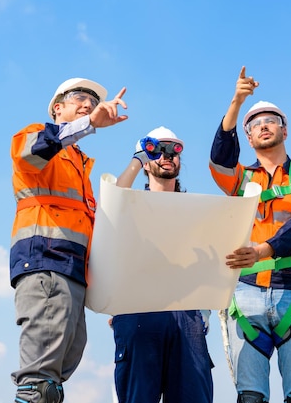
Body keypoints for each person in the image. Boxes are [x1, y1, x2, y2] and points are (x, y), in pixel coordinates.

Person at [209, 67, 291, 403]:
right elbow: (219, 161)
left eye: (270, 119)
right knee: (250, 397)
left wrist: (263, 250)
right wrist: (236, 102)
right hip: (247, 293)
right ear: (247, 137)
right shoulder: (241, 179)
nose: (263, 125)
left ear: (285, 130)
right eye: (255, 123)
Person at [10, 77, 128, 403]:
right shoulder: (36, 138)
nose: (87, 103)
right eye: (79, 97)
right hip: (46, 261)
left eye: (92, 100)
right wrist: (89, 123)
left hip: (72, 271)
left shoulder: (80, 166)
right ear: (57, 108)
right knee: (40, 384)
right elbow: (34, 151)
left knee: (56, 379)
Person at [110, 126, 214, 403]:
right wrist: (139, 158)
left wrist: (204, 313)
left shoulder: (198, 213)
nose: (167, 156)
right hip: (138, 309)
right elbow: (111, 202)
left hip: (187, 313)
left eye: (174, 150)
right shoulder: (129, 204)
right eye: (158, 150)